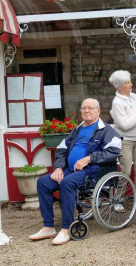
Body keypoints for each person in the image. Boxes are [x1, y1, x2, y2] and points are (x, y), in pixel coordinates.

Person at [30, 99, 122, 245]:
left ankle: (66, 229)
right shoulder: (77, 130)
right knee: (43, 182)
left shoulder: (107, 131)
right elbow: (61, 150)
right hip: (69, 169)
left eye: (90, 108)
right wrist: (58, 167)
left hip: (92, 171)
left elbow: (113, 152)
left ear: (98, 111)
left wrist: (89, 158)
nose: (86, 111)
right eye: (84, 108)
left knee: (67, 183)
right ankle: (48, 226)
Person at [109, 70, 136, 212]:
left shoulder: (134, 97)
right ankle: (117, 200)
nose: (131, 84)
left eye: (130, 81)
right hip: (125, 140)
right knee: (125, 170)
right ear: (119, 86)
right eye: (127, 83)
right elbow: (124, 125)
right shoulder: (117, 102)